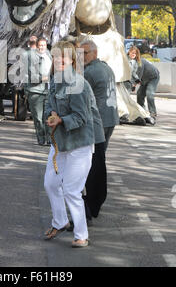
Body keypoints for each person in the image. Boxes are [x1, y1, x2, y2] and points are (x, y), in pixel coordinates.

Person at [43, 41, 95, 248]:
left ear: (72, 59)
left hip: (80, 144)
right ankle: (60, 221)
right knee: (51, 184)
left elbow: (82, 117)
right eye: (55, 57)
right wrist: (51, 115)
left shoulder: (78, 83)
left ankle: (81, 234)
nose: (58, 61)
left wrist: (62, 120)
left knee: (72, 190)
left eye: (62, 57)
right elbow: (49, 104)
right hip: (60, 143)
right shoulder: (55, 81)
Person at [77, 37, 119, 220]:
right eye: (79, 54)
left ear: (94, 53)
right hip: (110, 119)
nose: (82, 57)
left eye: (85, 53)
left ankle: (89, 205)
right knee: (98, 162)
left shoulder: (89, 73)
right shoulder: (106, 68)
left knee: (91, 165)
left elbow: (81, 99)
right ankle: (94, 201)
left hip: (98, 122)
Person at [23, 37, 52, 145]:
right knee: (38, 118)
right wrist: (44, 78)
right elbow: (33, 77)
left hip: (48, 91)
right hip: (36, 92)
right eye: (40, 45)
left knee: (48, 116)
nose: (42, 47)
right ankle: (41, 138)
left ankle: (49, 138)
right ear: (36, 46)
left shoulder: (48, 55)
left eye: (44, 45)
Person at [128, 46, 160, 121]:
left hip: (153, 77)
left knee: (149, 94)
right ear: (129, 52)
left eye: (135, 53)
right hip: (144, 79)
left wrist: (133, 85)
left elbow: (138, 76)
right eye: (132, 53)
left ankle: (153, 114)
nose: (133, 54)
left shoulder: (140, 62)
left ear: (137, 54)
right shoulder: (129, 61)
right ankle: (142, 112)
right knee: (139, 94)